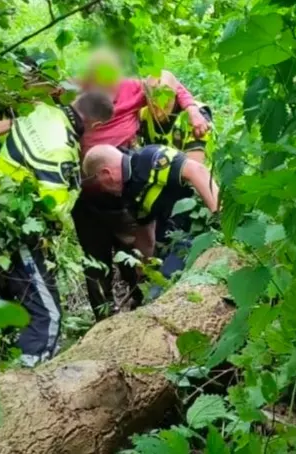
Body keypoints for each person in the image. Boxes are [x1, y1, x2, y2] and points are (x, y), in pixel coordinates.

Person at [0, 91, 114, 367]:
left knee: (11, 309)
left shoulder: (41, 112)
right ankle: (26, 378)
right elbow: (54, 207)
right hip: (18, 229)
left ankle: (0, 368)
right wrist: (75, 190)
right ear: (95, 125)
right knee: (47, 316)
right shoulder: (59, 148)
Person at [71, 49, 210, 320]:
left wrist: (193, 110)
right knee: (95, 261)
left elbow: (173, 84)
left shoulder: (131, 88)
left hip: (123, 188)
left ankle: (140, 309)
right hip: (87, 196)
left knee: (133, 253)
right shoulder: (74, 95)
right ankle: (102, 320)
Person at [137, 73, 215, 297]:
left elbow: (194, 167)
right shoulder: (143, 115)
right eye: (152, 101)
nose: (157, 109)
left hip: (192, 190)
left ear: (175, 96)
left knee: (180, 240)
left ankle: (166, 289)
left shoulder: (196, 117)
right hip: (160, 187)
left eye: (163, 101)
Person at [81, 144, 219, 262]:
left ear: (106, 173)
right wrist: (144, 269)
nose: (102, 190)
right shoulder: (130, 194)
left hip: (205, 221)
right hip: (181, 236)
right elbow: (145, 236)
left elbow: (197, 170)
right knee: (163, 280)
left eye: (98, 183)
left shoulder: (148, 159)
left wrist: (219, 216)